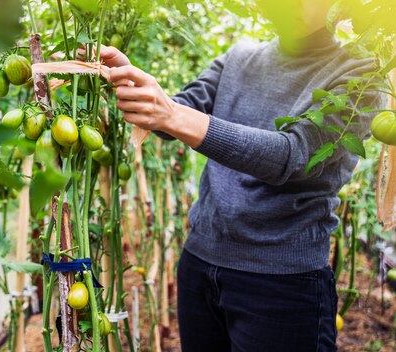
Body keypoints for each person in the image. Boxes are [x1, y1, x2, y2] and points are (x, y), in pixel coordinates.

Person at [96, 0, 385, 351]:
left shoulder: (360, 78)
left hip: (282, 283)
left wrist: (169, 113)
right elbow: (173, 120)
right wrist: (136, 84)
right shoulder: (238, 57)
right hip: (200, 265)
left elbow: (292, 155)